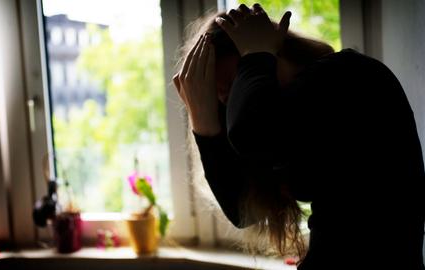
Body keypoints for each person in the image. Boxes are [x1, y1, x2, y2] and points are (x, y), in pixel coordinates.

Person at [173, 3, 425, 270]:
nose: (228, 101)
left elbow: (252, 133)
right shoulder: (283, 120)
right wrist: (203, 121)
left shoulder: (346, 75)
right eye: (221, 98)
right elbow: (242, 209)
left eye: (234, 83)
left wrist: (255, 54)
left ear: (273, 51)